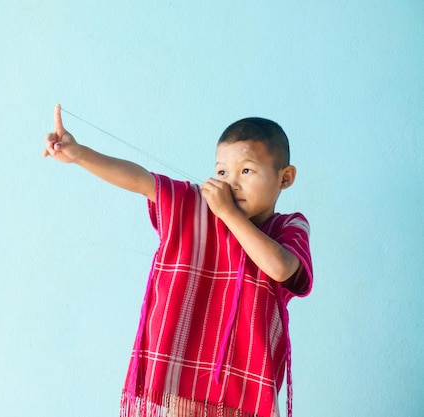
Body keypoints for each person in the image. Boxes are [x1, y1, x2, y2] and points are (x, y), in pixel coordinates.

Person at [43, 104, 313, 417]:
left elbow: (279, 268)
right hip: (184, 378)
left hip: (244, 390)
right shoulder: (199, 208)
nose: (232, 183)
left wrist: (228, 213)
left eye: (247, 170)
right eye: (222, 171)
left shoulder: (289, 227)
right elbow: (143, 181)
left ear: (285, 178)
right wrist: (80, 154)